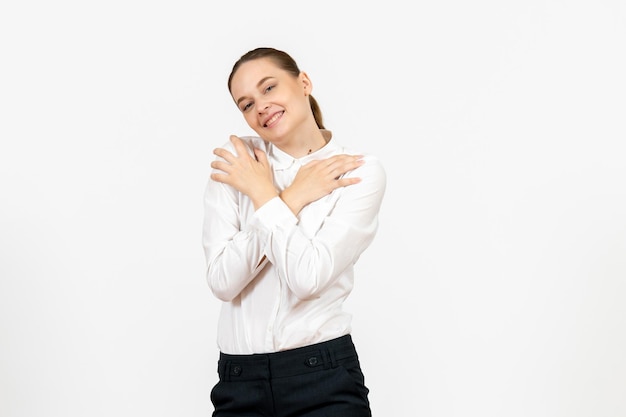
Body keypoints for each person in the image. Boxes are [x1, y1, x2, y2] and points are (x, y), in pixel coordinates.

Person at [202, 47, 386, 417]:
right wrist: (290, 197)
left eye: (269, 88)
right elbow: (222, 281)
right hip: (239, 382)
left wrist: (264, 197)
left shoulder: (357, 172)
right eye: (246, 104)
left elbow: (307, 277)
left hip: (324, 378)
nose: (261, 107)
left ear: (303, 82)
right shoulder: (238, 163)